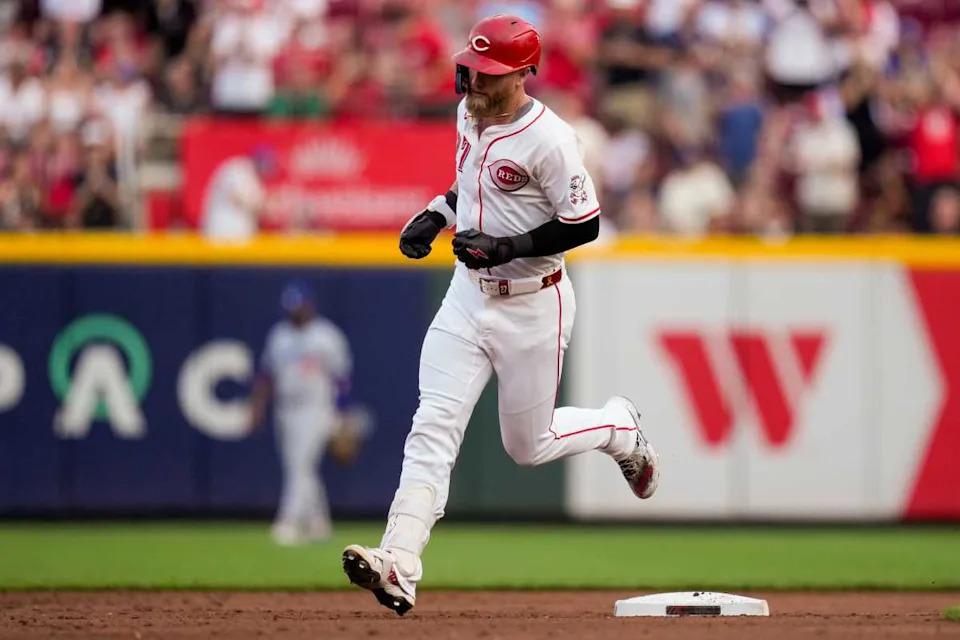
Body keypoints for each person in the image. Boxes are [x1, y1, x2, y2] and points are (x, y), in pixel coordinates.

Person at [341, 14, 660, 616]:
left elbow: (585, 223)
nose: (473, 82)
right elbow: (471, 186)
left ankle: (618, 428)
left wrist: (509, 248)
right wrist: (436, 214)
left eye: (487, 73)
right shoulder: (469, 112)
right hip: (467, 295)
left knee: (528, 447)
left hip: (535, 301)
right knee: (432, 426)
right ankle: (399, 564)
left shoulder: (552, 139)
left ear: (522, 75)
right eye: (472, 68)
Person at [250, 281, 353, 546]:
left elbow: (341, 378)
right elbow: (266, 376)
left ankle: (288, 521)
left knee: (301, 465)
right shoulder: (279, 336)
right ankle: (319, 523)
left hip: (317, 408)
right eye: (292, 307)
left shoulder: (326, 336)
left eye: (300, 306)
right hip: (285, 409)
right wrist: (258, 407)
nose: (296, 312)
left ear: (310, 306)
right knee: (300, 467)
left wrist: (341, 415)